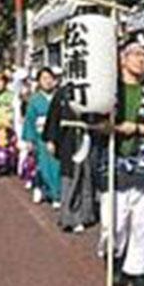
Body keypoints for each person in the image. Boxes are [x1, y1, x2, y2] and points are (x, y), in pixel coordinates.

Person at [99, 36, 144, 286]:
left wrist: (136, 128)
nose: (141, 60)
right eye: (136, 54)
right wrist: (108, 127)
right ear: (122, 59)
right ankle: (114, 259)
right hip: (112, 162)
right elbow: (92, 123)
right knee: (113, 222)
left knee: (141, 222)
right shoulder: (108, 91)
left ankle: (137, 272)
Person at [43, 79, 104, 233]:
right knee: (69, 176)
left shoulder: (95, 89)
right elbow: (54, 115)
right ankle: (68, 216)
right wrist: (51, 139)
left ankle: (85, 214)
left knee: (87, 175)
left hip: (89, 135)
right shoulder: (63, 92)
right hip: (68, 139)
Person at [23, 67, 60, 207]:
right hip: (41, 137)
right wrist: (29, 139)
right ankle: (47, 190)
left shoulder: (59, 96)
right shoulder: (34, 100)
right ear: (38, 82)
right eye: (44, 78)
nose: (48, 81)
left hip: (57, 137)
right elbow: (29, 120)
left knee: (57, 166)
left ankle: (56, 194)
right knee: (44, 166)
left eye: (50, 78)